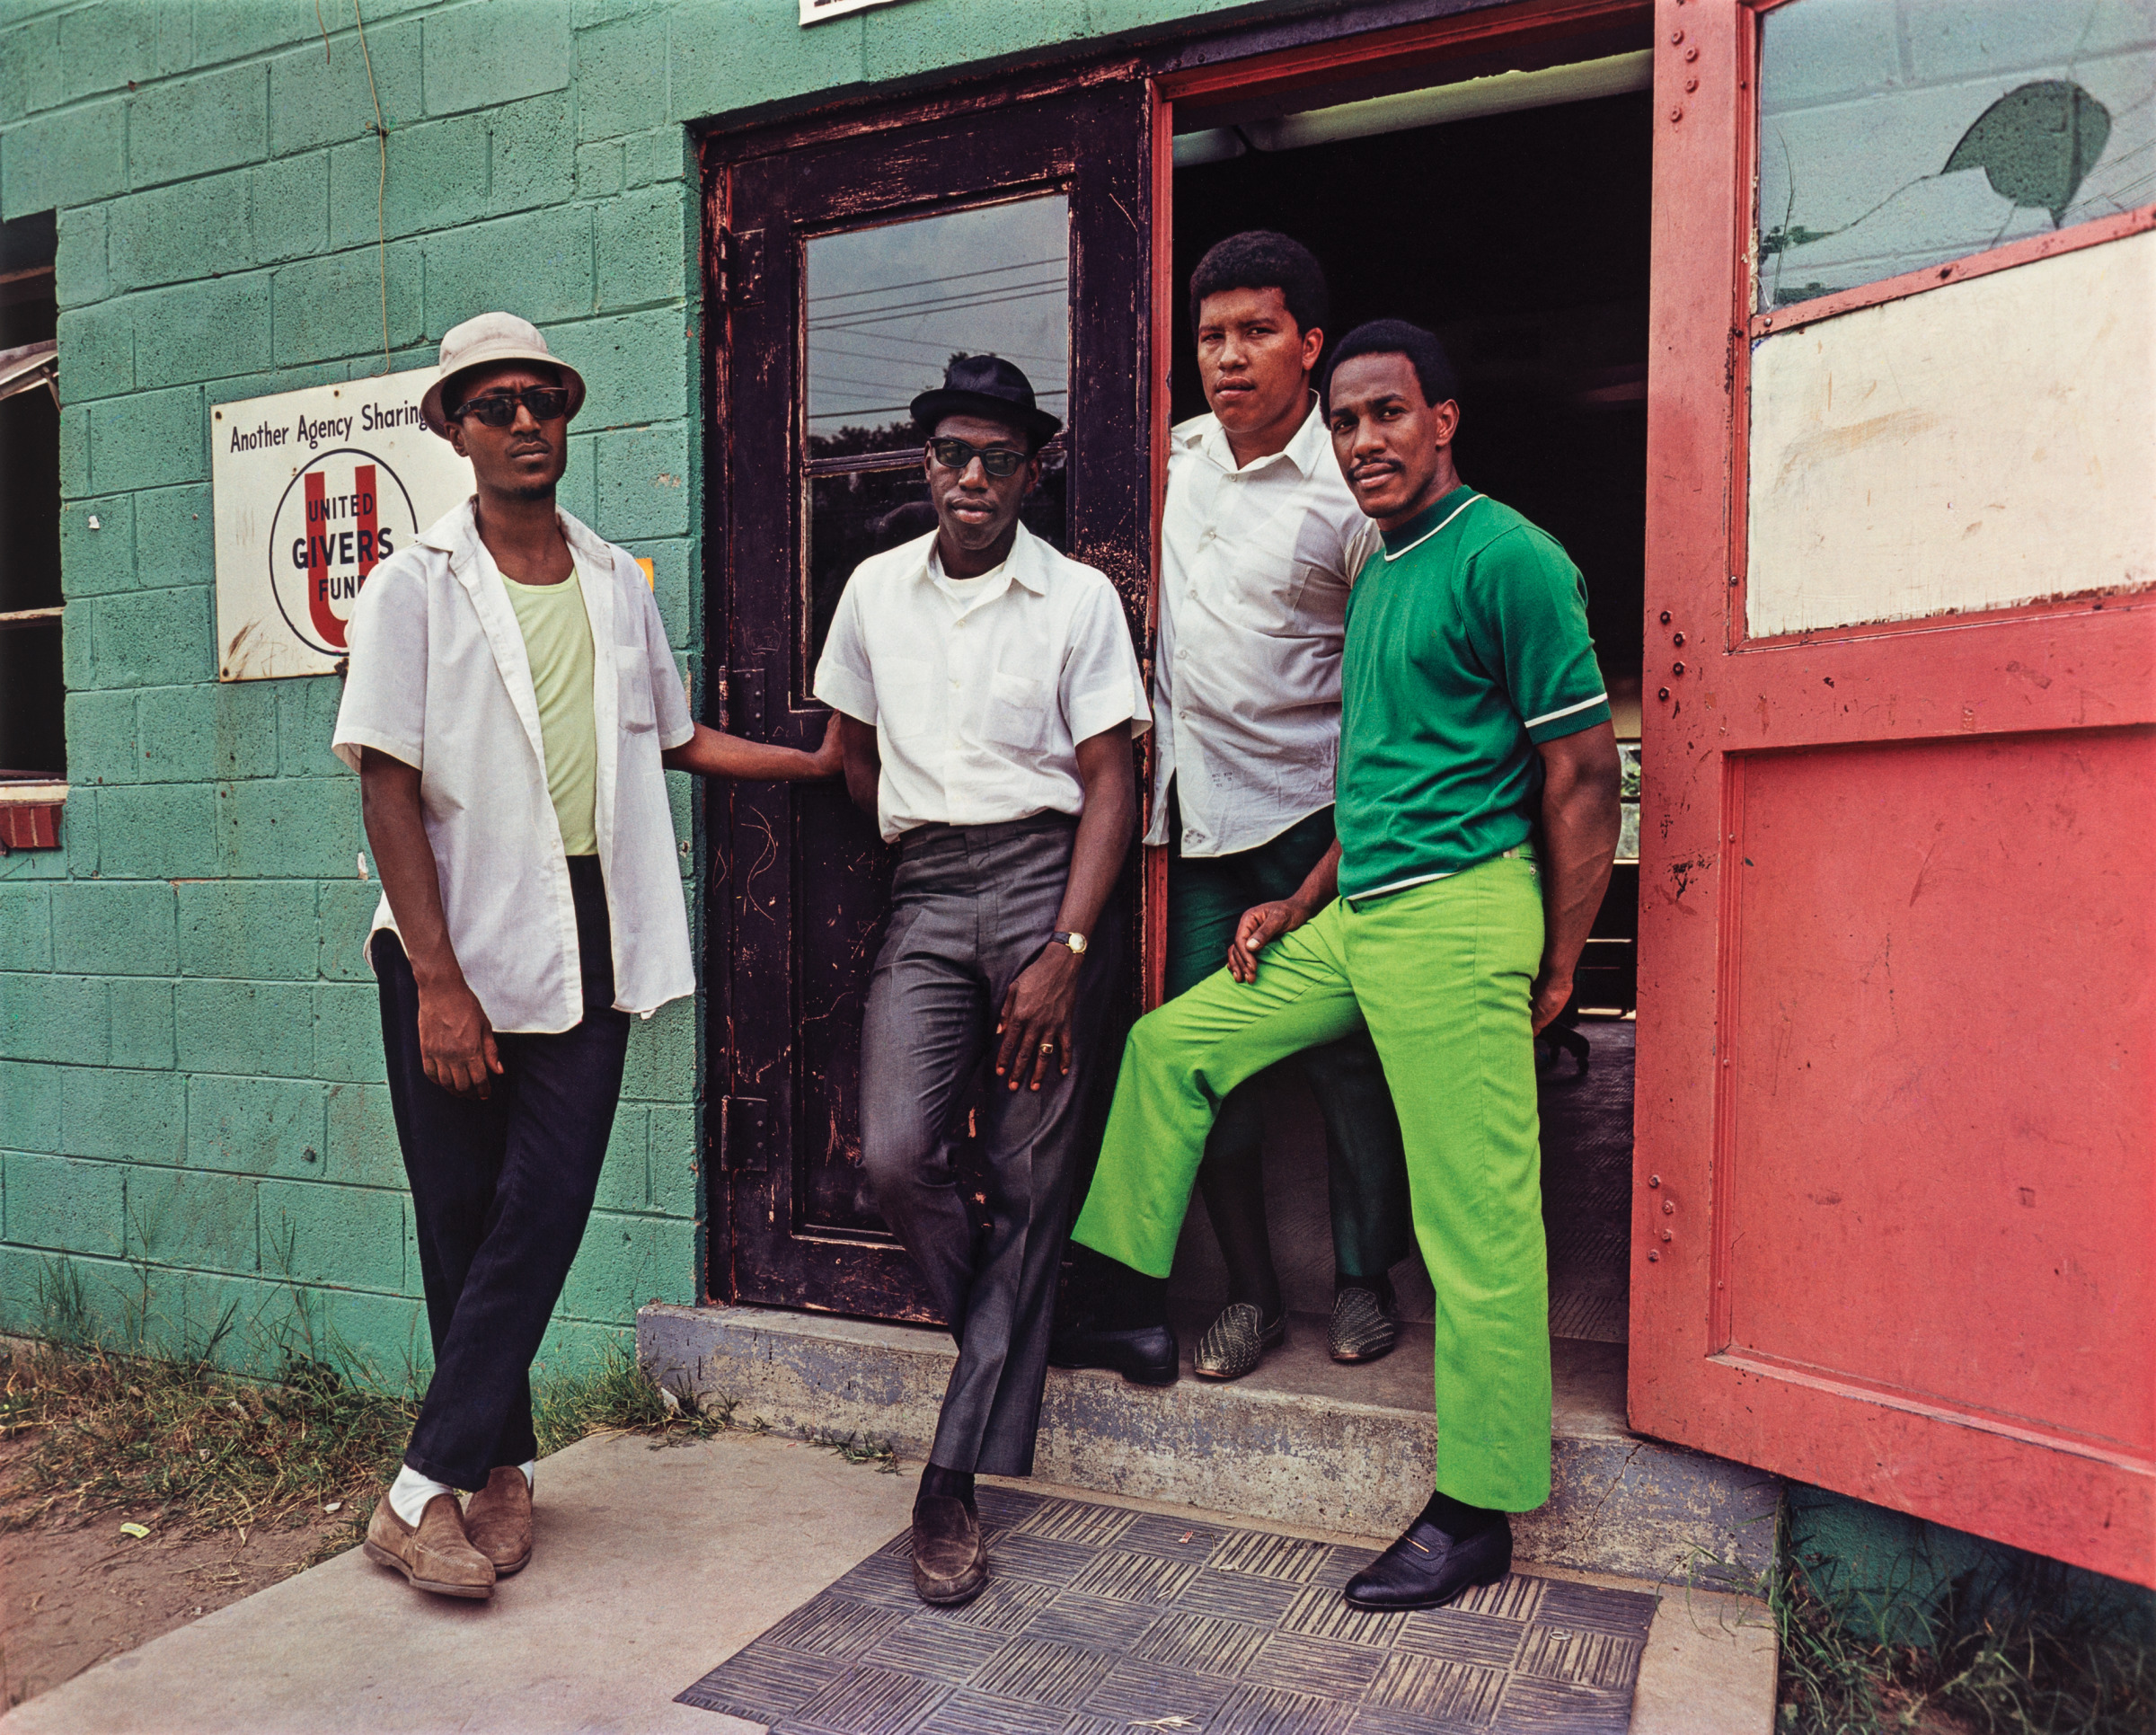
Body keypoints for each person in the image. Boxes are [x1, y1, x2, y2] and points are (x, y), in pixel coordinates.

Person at [1065, 320, 1621, 1610]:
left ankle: (1478, 1506)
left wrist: (1560, 960)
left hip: (1463, 914)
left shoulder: (1510, 558)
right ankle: (1123, 1295)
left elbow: (1584, 774)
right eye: (1349, 421)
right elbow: (1373, 780)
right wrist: (1298, 898)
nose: (1365, 440)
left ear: (1444, 420)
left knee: (1476, 1217)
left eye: (1389, 414)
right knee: (1170, 1046)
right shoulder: (1379, 563)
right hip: (1361, 905)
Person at [333, 312, 841, 1600]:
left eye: (540, 400)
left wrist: (813, 763)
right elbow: (385, 784)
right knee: (461, 1220)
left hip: (590, 923)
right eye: (493, 404)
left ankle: (410, 1492)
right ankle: (492, 1472)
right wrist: (439, 981)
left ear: (566, 417)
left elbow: (673, 739)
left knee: (544, 1202)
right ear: (455, 428)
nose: (521, 422)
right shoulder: (418, 583)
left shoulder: (615, 578)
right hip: (453, 933)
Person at [1053, 231, 1412, 1387]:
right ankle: (1251, 1292)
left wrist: (1352, 841)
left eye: (1257, 332)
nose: (1229, 356)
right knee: (1214, 1066)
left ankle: (1364, 1275)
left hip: (1315, 816)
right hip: (1194, 824)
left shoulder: (1350, 490)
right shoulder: (1170, 460)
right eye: (1210, 337)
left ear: (1309, 344)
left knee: (1355, 1061)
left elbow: (1381, 675)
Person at [815, 354, 1146, 1607]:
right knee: (897, 1153)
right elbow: (850, 755)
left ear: (1032, 471)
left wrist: (1064, 948)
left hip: (1047, 881)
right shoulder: (872, 592)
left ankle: (949, 1479)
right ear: (925, 463)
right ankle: (1031, 1330)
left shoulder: (1075, 599)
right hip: (928, 886)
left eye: (998, 459)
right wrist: (918, 836)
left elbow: (1111, 778)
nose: (972, 478)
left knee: (1025, 1176)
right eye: (953, 454)